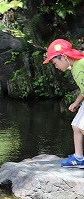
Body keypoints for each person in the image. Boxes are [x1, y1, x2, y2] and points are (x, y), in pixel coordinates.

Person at [43, 39, 84, 168]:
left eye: (55, 63)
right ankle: (78, 158)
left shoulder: (82, 62)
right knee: (76, 126)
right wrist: (76, 103)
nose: (56, 67)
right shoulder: (74, 68)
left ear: (64, 57)